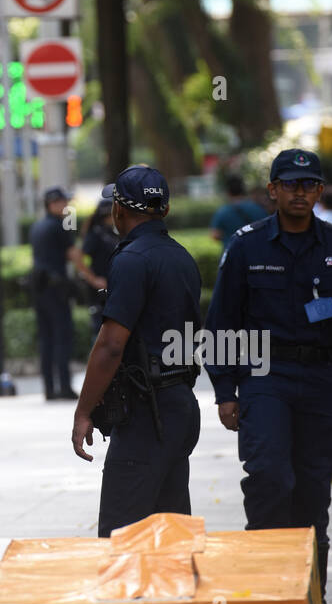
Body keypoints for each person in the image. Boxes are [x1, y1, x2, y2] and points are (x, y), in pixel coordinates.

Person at [204, 148, 332, 604]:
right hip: (264, 378)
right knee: (269, 478)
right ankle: (263, 594)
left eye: (309, 185)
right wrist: (225, 390)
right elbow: (223, 323)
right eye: (290, 184)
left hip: (322, 379)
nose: (300, 193)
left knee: (311, 494)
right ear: (272, 191)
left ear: (320, 192)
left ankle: (311, 599)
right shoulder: (246, 246)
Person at [72, 166, 203, 537]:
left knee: (122, 537)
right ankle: (172, 597)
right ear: (163, 209)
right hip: (179, 406)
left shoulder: (131, 259)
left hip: (148, 414)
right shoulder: (181, 257)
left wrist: (84, 412)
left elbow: (111, 345)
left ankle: (127, 599)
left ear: (119, 210)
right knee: (171, 534)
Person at [30, 187, 79, 401]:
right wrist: (91, 276)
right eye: (63, 202)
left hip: (39, 288)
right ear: (53, 204)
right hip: (56, 289)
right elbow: (73, 254)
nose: (66, 206)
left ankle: (49, 389)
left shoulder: (37, 227)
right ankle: (65, 387)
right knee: (62, 337)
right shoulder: (59, 227)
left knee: (46, 339)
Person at [72, 198, 117, 343]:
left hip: (112, 288)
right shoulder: (96, 234)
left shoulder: (111, 232)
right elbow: (78, 258)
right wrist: (93, 279)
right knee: (100, 331)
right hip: (99, 292)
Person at [209, 175, 268, 249]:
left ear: (228, 192)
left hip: (231, 253)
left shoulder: (222, 212)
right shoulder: (257, 208)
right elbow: (267, 229)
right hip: (255, 253)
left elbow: (215, 235)